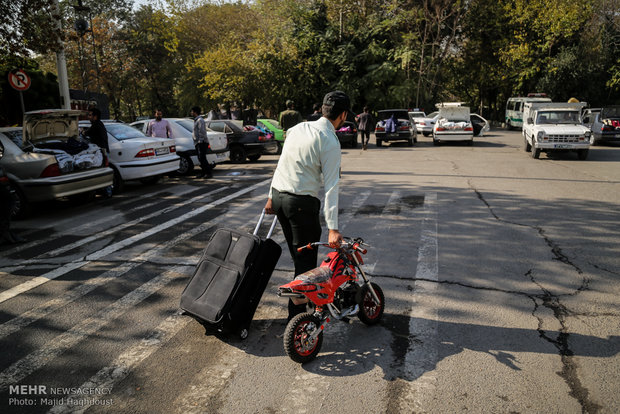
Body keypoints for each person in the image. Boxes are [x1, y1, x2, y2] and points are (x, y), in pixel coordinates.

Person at [265, 91, 349, 320]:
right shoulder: (330, 141)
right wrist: (333, 228)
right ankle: (299, 320)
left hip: (280, 199)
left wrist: (271, 196)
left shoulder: (298, 128)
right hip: (301, 205)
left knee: (298, 255)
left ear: (322, 109)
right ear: (343, 115)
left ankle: (302, 311)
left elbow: (282, 162)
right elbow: (332, 186)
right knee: (305, 266)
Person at [190, 106, 213, 179]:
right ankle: (203, 173)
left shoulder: (200, 120)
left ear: (195, 112)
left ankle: (208, 173)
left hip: (201, 142)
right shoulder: (196, 120)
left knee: (202, 158)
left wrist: (200, 141)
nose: (191, 113)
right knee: (200, 158)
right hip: (198, 142)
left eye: (192, 111)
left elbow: (202, 131)